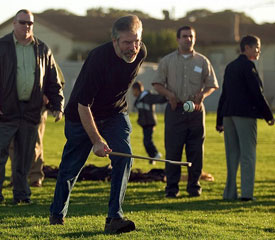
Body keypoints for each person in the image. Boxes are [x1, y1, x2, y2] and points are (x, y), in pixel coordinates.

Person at [49, 15, 147, 234]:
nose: (133, 48)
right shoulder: (97, 59)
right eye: (126, 42)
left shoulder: (141, 52)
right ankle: (57, 213)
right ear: (114, 41)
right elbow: (84, 106)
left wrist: (108, 133)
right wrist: (97, 140)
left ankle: (114, 218)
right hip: (81, 114)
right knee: (70, 168)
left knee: (124, 156)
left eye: (136, 41)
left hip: (114, 113)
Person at [0, 9, 64, 205]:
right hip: (5, 112)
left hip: (31, 112)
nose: (27, 26)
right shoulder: (2, 46)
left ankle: (21, 195)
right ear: (14, 24)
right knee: (0, 156)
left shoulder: (43, 49)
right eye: (23, 22)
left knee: (25, 158)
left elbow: (54, 80)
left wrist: (57, 105)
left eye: (30, 23)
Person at [152, 26, 219, 198]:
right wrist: (170, 95)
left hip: (196, 111)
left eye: (191, 36)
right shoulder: (167, 61)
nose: (188, 39)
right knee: (173, 150)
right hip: (175, 109)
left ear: (194, 39)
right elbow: (157, 83)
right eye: (184, 36)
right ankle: (172, 189)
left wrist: (203, 95)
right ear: (178, 39)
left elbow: (212, 84)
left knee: (195, 150)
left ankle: (194, 187)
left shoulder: (202, 61)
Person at [216, 35, 274, 201]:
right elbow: (257, 94)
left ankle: (229, 193)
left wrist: (219, 120)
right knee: (248, 155)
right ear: (247, 48)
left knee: (232, 155)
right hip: (245, 116)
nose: (259, 51)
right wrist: (268, 116)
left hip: (228, 115)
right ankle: (247, 194)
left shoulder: (230, 67)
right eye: (257, 47)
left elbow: (224, 94)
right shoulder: (249, 67)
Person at [8, 65, 65, 188]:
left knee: (35, 142)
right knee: (13, 144)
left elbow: (57, 79)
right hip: (14, 105)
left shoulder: (43, 52)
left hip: (37, 106)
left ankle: (35, 177)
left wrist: (48, 95)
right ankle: (16, 178)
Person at [132, 81, 167, 164]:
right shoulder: (138, 100)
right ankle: (152, 158)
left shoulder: (148, 97)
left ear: (137, 90)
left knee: (147, 141)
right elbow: (137, 106)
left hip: (150, 123)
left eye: (133, 91)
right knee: (146, 141)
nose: (133, 93)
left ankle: (156, 154)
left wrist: (167, 95)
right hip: (144, 124)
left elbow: (160, 99)